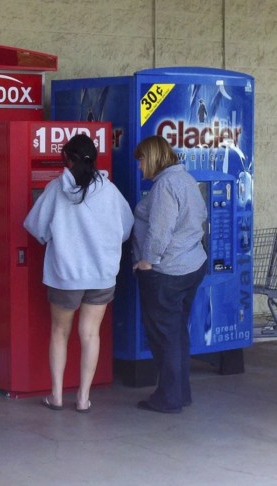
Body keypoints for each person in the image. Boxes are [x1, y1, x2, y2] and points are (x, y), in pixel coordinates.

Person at [24, 134, 133, 413]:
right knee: (90, 334)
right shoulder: (109, 191)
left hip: (66, 275)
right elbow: (126, 228)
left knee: (60, 332)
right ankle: (83, 398)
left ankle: (57, 395)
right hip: (101, 274)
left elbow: (36, 227)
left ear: (67, 159)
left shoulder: (54, 189)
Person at [132, 135, 207, 414]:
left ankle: (168, 398)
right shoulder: (185, 178)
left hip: (167, 272)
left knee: (165, 337)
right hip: (192, 265)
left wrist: (146, 262)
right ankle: (180, 393)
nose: (139, 167)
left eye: (140, 160)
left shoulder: (165, 185)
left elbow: (159, 231)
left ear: (151, 158)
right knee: (176, 333)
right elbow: (201, 216)